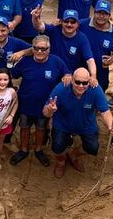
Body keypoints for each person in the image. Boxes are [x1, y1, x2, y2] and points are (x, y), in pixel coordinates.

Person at [43, 67, 113, 178]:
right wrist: (50, 109)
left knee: (92, 148)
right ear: (72, 80)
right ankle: (61, 162)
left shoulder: (95, 89)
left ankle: (74, 154)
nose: (81, 86)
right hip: (63, 125)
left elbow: (105, 112)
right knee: (57, 147)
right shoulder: (61, 88)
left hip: (86, 125)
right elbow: (45, 113)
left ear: (89, 82)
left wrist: (111, 126)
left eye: (84, 83)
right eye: (77, 82)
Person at [10, 35, 69, 167]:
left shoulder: (56, 61)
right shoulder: (26, 61)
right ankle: (23, 150)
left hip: (45, 105)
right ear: (33, 49)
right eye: (36, 48)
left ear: (49, 49)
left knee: (41, 128)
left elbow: (67, 73)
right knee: (24, 127)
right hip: (25, 103)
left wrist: (67, 76)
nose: (40, 51)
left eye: (43, 49)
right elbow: (13, 74)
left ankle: (38, 150)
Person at [31, 6, 98, 80]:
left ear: (77, 24)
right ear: (61, 22)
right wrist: (35, 18)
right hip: (51, 72)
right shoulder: (54, 30)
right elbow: (39, 26)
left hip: (70, 77)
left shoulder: (82, 38)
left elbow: (90, 60)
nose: (69, 24)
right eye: (66, 21)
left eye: (72, 22)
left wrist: (93, 75)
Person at [79, 0, 113, 106]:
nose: (101, 16)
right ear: (94, 13)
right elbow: (68, 27)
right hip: (80, 67)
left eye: (104, 14)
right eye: (99, 13)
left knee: (97, 94)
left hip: (101, 71)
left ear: (109, 16)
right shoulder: (82, 24)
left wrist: (112, 58)